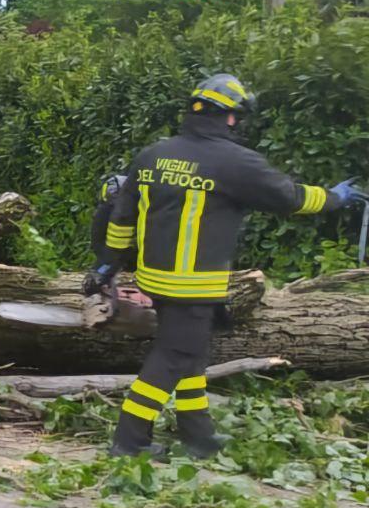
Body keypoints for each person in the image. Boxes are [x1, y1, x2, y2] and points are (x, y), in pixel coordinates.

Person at [87, 73, 366, 458]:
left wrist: (108, 264)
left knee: (192, 356)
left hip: (156, 280)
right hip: (193, 285)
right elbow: (289, 197)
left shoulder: (153, 154)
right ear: (232, 117)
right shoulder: (235, 161)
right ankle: (129, 442)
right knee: (172, 359)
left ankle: (197, 436)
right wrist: (333, 198)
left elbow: (121, 217)